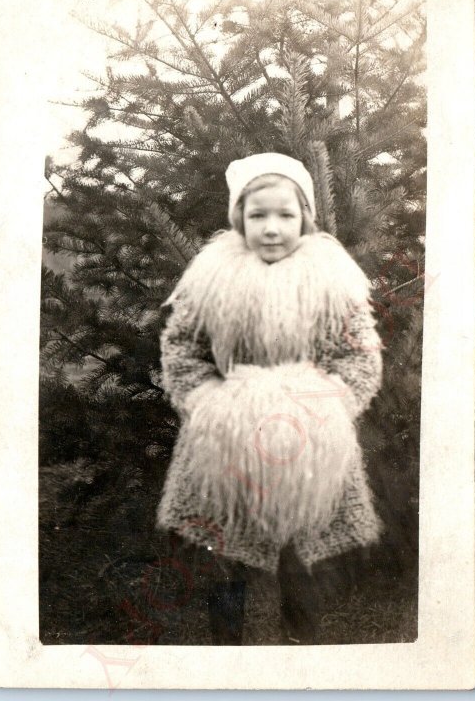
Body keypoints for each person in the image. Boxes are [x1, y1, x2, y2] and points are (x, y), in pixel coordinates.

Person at [156, 152, 384, 645]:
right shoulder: (212, 279)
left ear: (306, 216)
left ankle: (300, 648)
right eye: (258, 215)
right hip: (227, 437)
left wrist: (331, 406)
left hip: (307, 440)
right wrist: (205, 402)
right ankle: (227, 649)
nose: (273, 228)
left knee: (303, 553)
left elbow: (360, 353)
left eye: (286, 214)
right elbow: (181, 348)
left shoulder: (331, 279)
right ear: (239, 217)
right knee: (222, 545)